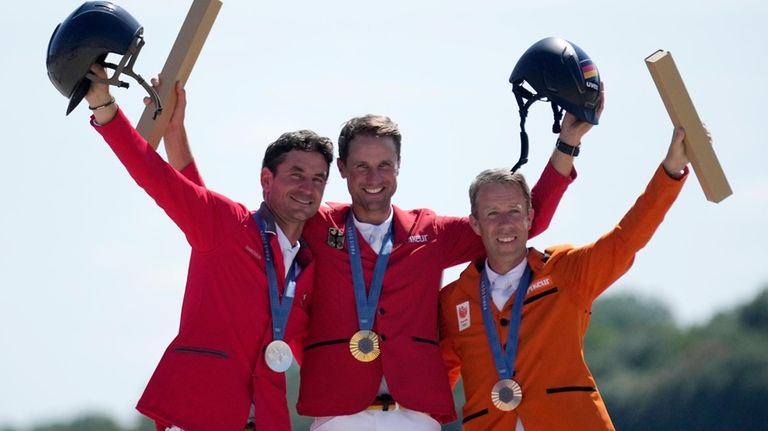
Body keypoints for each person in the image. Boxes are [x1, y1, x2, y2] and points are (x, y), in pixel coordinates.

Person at [162, 86, 602, 431]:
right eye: (361, 167)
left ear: (399, 166)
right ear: (344, 172)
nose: (374, 179)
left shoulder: (432, 232)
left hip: (417, 414)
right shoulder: (317, 224)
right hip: (338, 415)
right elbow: (212, 215)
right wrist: (174, 134)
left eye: (384, 166)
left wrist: (567, 144)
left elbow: (524, 221)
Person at [83, 65, 334, 431]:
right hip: (197, 414)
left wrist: (174, 133)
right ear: (266, 179)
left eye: (318, 179)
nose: (307, 188)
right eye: (296, 174)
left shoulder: (307, 266)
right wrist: (104, 106)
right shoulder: (226, 224)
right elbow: (157, 178)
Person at [438, 126, 693, 430]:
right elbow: (438, 375)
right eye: (492, 213)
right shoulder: (453, 299)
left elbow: (627, 240)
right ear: (475, 224)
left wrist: (671, 170)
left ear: (530, 217)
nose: (505, 224)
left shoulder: (567, 272)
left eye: (514, 211)